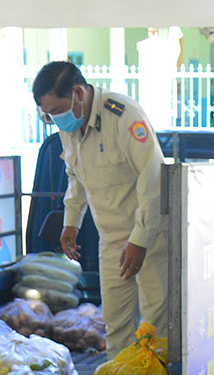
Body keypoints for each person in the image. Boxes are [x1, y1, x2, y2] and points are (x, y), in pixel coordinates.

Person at [32, 61, 168, 358]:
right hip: (111, 240)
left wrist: (140, 239)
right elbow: (75, 177)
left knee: (156, 329)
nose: (56, 120)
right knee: (115, 327)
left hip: (149, 237)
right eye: (49, 114)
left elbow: (153, 177)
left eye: (57, 111)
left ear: (79, 93)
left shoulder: (123, 115)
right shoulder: (71, 124)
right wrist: (72, 222)